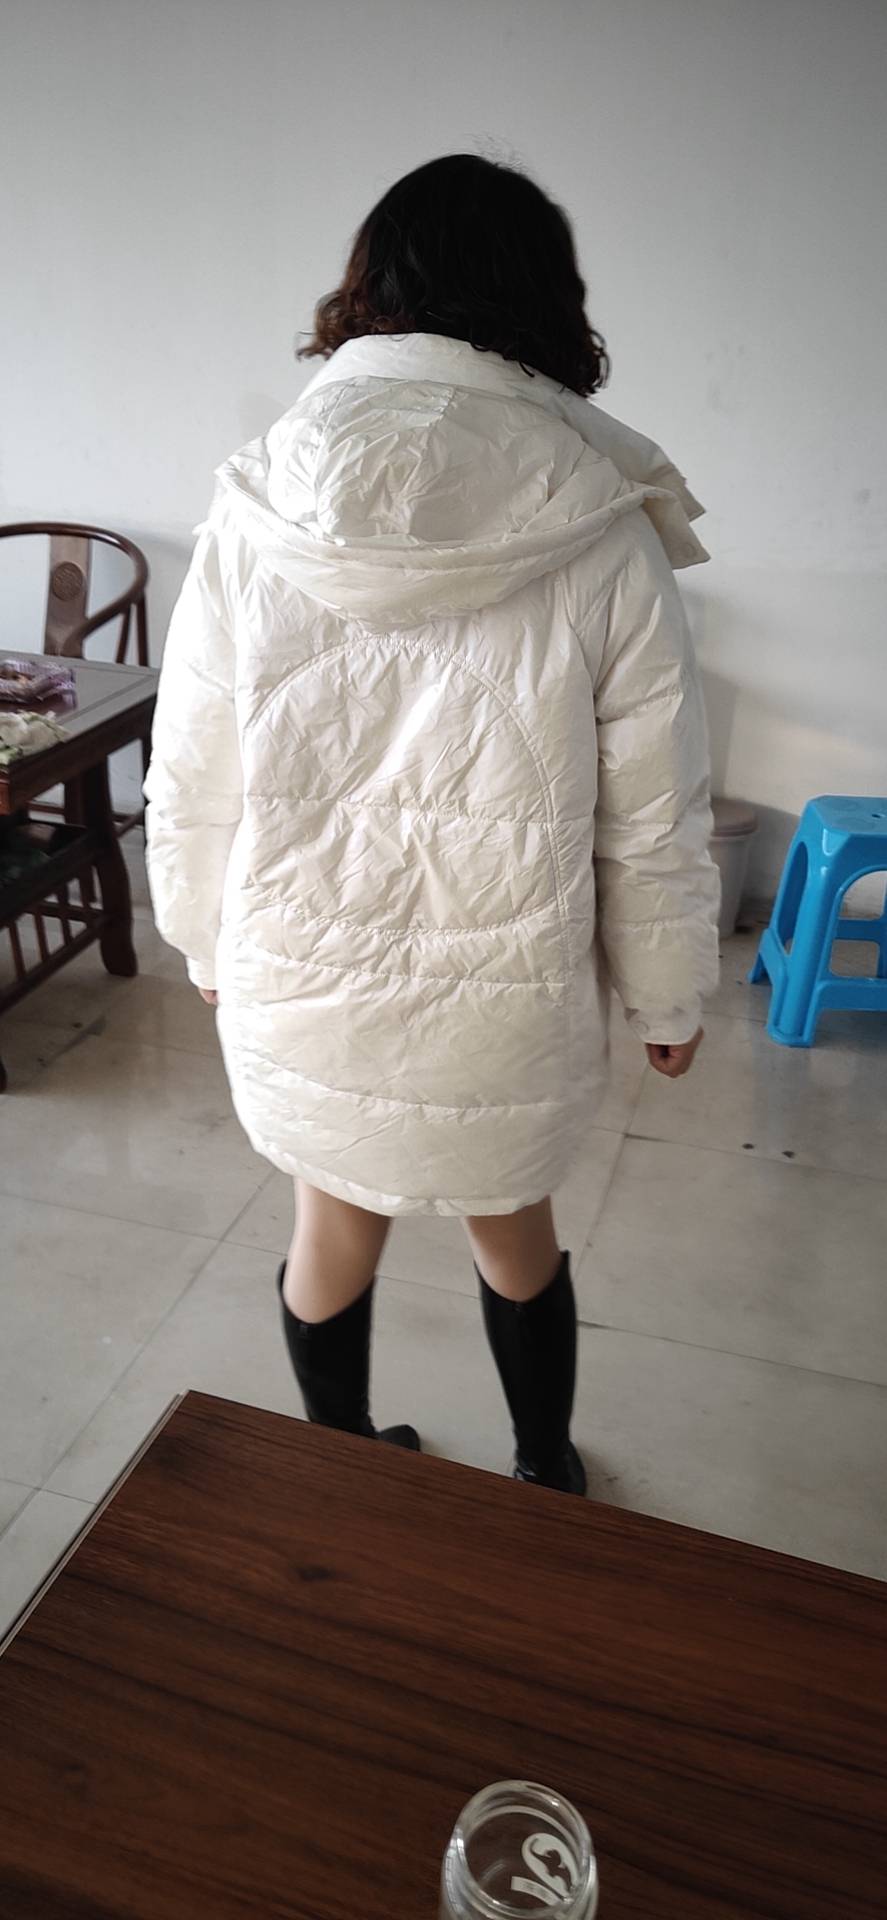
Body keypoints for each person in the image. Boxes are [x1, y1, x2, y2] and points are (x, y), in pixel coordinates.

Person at [146, 153, 720, 1494]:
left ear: (372, 286)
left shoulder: (257, 502)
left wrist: (202, 940)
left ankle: (345, 1472)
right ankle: (543, 1474)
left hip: (301, 964)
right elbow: (654, 807)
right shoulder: (599, 520)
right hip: (501, 986)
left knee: (329, 1226)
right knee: (515, 1231)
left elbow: (195, 761)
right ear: (546, 297)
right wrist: (667, 991)